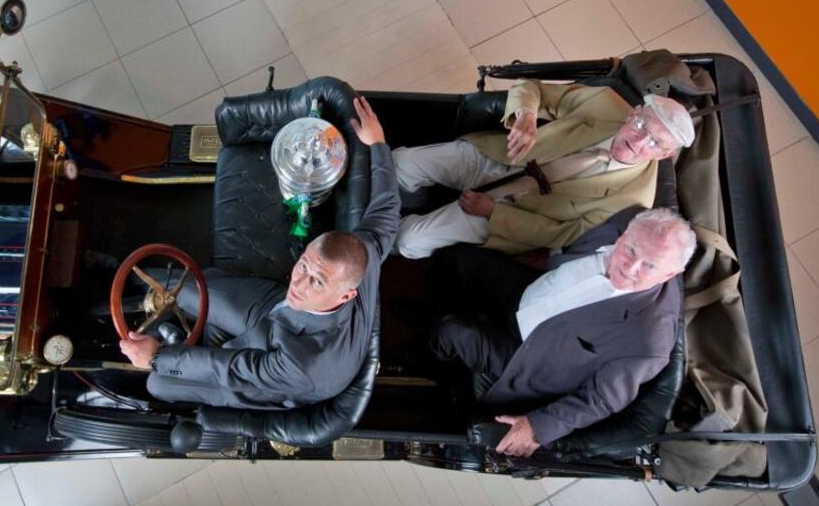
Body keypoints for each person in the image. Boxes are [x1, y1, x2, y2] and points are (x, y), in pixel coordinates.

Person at [118, 96, 400, 409]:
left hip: (271, 371)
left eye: (317, 281)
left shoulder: (308, 366)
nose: (300, 283)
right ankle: (121, 277)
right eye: (304, 266)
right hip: (277, 312)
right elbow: (387, 207)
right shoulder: (366, 249)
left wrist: (157, 357)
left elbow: (229, 367)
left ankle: (178, 343)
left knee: (159, 382)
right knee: (187, 287)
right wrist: (378, 144)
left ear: (346, 296)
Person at [430, 207, 694, 457]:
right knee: (456, 260)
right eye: (630, 250)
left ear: (671, 273)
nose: (631, 267)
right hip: (528, 293)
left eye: (649, 266)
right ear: (625, 233)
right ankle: (432, 308)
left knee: (452, 332)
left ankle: (425, 360)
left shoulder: (649, 342)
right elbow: (570, 242)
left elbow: (601, 399)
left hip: (526, 357)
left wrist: (537, 429)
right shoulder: (622, 222)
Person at [394, 79, 695, 259]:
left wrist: (493, 213)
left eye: (655, 143)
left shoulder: (633, 200)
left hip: (508, 212)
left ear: (665, 155)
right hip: (500, 157)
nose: (639, 140)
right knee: (400, 163)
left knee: (409, 241)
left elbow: (562, 233)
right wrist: (526, 116)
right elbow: (532, 88)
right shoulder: (605, 104)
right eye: (641, 125)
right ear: (633, 113)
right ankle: (412, 198)